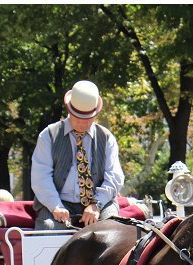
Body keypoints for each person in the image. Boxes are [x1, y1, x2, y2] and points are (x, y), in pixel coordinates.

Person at [31, 80, 124, 229]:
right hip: (58, 201)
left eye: (87, 119)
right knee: (48, 228)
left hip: (99, 201)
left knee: (112, 228)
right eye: (77, 118)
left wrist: (96, 205)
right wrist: (55, 206)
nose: (81, 124)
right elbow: (40, 177)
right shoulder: (48, 135)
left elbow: (114, 176)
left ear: (96, 114)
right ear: (69, 110)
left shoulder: (106, 138)